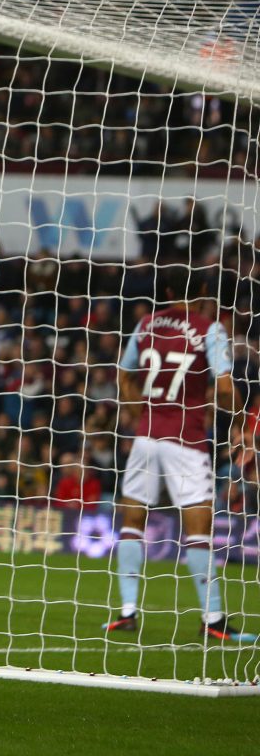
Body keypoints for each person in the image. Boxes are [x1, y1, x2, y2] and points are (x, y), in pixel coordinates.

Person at [107, 265, 255, 642]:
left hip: (145, 438)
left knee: (131, 520)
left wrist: (137, 411)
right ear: (204, 288)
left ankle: (126, 610)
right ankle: (213, 619)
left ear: (165, 289)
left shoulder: (145, 325)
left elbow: (122, 376)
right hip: (186, 440)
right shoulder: (209, 328)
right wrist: (238, 417)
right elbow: (223, 387)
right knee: (199, 531)